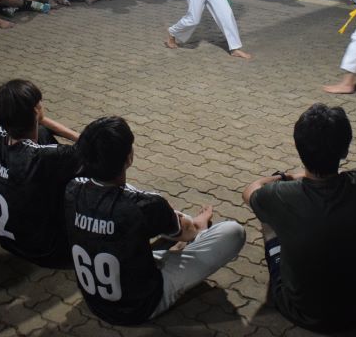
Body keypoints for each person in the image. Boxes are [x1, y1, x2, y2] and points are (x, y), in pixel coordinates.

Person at [64, 116, 245, 325]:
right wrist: (200, 227)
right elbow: (188, 232)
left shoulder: (71, 189)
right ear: (129, 158)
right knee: (233, 232)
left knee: (146, 217)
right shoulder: (143, 205)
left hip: (95, 301)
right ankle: (181, 244)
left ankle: (171, 240)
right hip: (141, 305)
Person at [242, 104, 356, 331]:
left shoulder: (282, 195)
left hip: (304, 312)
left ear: (299, 148)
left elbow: (249, 190)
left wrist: (285, 176)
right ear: (345, 150)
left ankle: (284, 274)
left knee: (267, 218)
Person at [0, 79, 82, 268]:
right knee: (90, 178)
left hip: (9, 242)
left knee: (44, 134)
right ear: (36, 110)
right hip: (49, 252)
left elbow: (41, 127)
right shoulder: (44, 158)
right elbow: (91, 148)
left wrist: (41, 120)